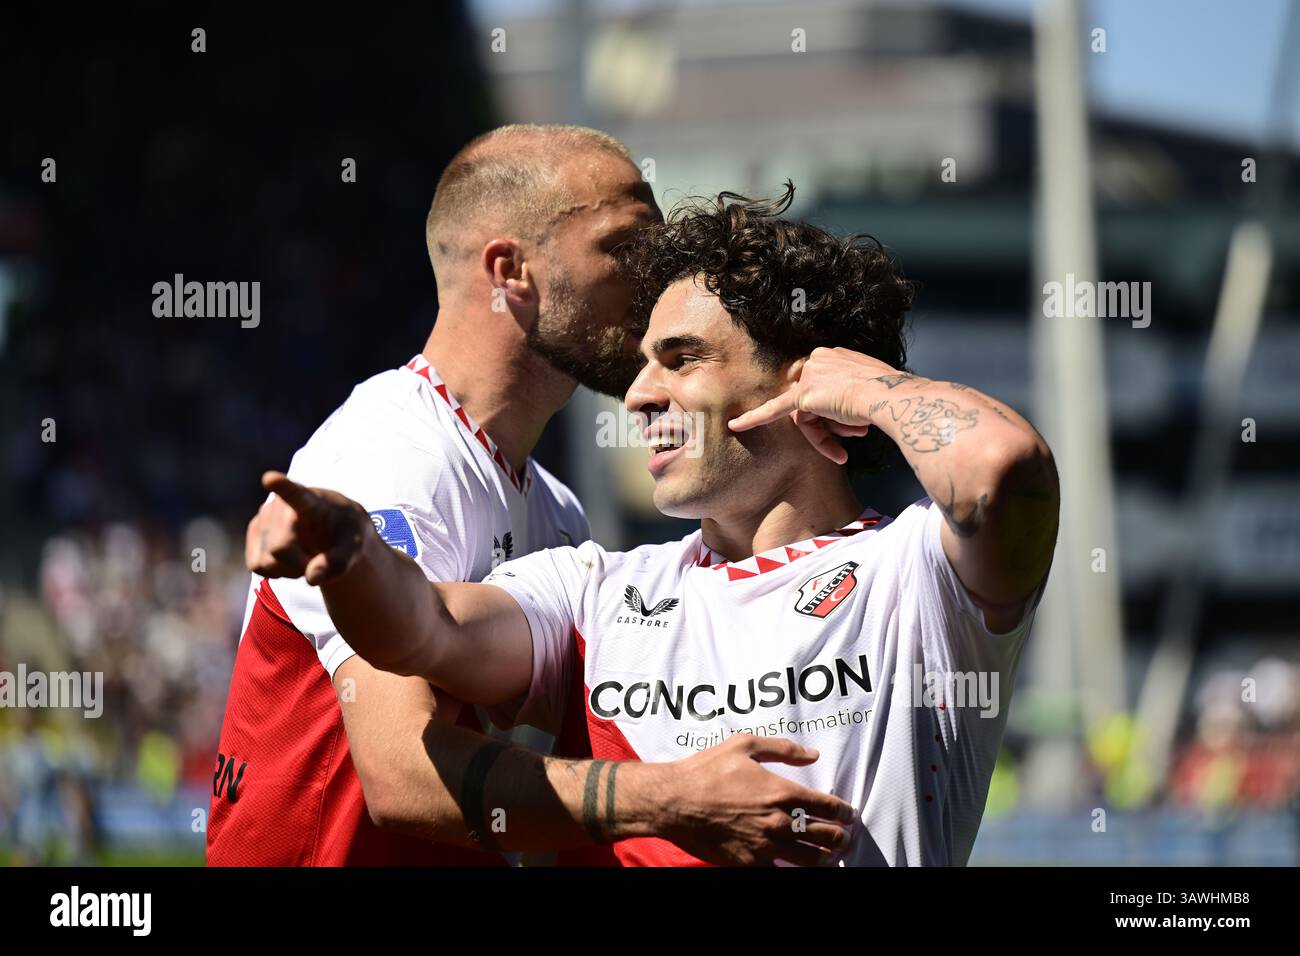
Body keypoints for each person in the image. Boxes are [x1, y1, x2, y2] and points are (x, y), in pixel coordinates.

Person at [242, 185, 1060, 866]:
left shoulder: (917, 574)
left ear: (801, 380)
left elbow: (1004, 470)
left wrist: (874, 389)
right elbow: (426, 628)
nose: (637, 393)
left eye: (682, 358)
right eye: (642, 362)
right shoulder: (596, 586)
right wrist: (353, 554)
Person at [208, 134, 854, 867]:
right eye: (625, 248)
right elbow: (401, 778)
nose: (654, 284)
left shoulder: (554, 509)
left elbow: (539, 798)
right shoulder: (392, 457)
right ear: (511, 273)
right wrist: (675, 797)